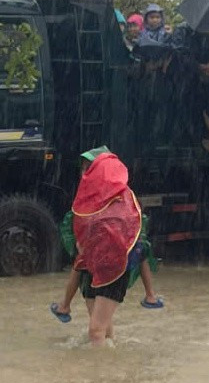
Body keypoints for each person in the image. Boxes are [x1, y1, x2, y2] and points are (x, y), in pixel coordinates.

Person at [48, 147, 154, 346]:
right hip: (90, 269)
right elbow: (74, 231)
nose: (85, 174)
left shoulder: (123, 198)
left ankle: (99, 374)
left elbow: (134, 236)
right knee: (102, 329)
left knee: (95, 330)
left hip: (115, 268)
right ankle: (108, 368)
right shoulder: (85, 199)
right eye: (83, 169)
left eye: (90, 168)